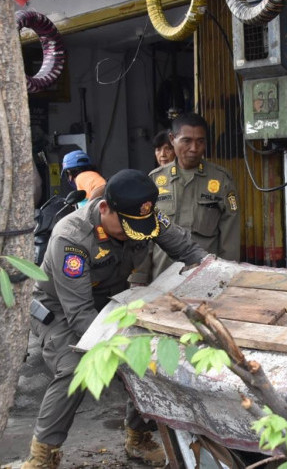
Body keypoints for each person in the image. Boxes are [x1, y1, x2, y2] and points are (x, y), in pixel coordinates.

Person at [23, 169, 208, 469]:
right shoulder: (71, 238)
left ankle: (137, 436)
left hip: (114, 302)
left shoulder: (141, 218)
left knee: (149, 357)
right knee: (76, 366)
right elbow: (80, 314)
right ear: (105, 208)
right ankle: (43, 455)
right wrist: (118, 350)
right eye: (125, 229)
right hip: (60, 309)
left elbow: (190, 252)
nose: (133, 235)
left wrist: (217, 276)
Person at [134, 112, 240, 283]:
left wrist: (227, 276)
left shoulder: (221, 180)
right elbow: (143, 237)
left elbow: (230, 238)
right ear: (172, 139)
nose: (194, 148)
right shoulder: (154, 180)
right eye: (187, 141)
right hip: (162, 277)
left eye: (200, 141)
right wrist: (139, 277)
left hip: (205, 278)